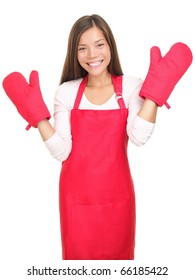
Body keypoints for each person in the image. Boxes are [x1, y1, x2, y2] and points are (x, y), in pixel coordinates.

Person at [2, 14, 192, 260]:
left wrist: (156, 95)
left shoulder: (132, 87)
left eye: (99, 44)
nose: (92, 54)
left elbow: (138, 137)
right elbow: (62, 152)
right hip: (76, 203)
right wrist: (39, 119)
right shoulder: (67, 92)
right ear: (75, 52)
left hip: (118, 201)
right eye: (83, 48)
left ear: (110, 45)